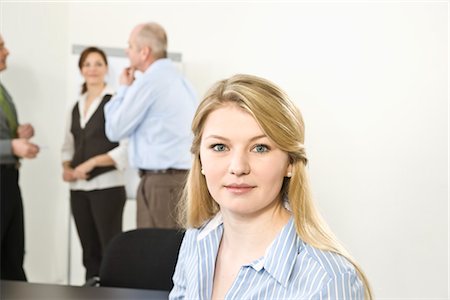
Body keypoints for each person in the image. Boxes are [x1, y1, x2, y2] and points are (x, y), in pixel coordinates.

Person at [170, 74, 373, 299]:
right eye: (219, 147)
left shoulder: (327, 280)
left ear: (291, 163)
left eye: (260, 148)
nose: (238, 167)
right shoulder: (197, 241)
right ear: (200, 160)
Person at [104, 22, 197, 229]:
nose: (126, 51)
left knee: (156, 254)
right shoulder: (180, 80)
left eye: (130, 46)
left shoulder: (149, 82)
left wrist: (123, 90)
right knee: (171, 252)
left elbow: (115, 129)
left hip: (160, 185)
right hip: (179, 181)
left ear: (144, 52)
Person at [61, 47, 128, 281]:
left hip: (107, 187)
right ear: (81, 69)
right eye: (87, 64)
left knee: (110, 252)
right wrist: (66, 168)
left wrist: (93, 162)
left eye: (98, 63)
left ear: (106, 69)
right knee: (89, 253)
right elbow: (68, 145)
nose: (92, 69)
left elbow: (126, 147)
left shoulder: (116, 102)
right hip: (78, 190)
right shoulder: (75, 106)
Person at [0, 34, 39, 281]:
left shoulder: (3, 90)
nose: (7, 51)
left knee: (12, 253)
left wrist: (19, 132)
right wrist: (11, 146)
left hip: (9, 179)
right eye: (1, 46)